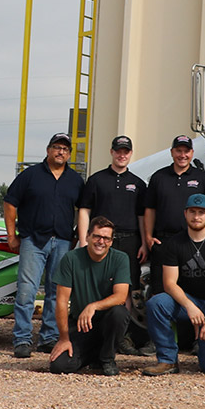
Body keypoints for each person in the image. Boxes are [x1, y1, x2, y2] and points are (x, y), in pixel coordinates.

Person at [3, 131, 84, 359]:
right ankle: (22, 339)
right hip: (33, 241)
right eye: (57, 147)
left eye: (65, 149)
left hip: (62, 242)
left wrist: (78, 235)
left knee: (55, 293)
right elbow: (10, 203)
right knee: (27, 291)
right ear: (48, 150)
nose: (61, 152)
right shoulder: (30, 176)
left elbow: (84, 209)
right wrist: (12, 235)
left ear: (69, 154)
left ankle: (48, 338)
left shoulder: (75, 181)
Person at [142, 194, 205, 375]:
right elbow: (169, 284)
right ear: (185, 214)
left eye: (201, 212)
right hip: (188, 302)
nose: (196, 217)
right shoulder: (174, 243)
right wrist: (190, 306)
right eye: (192, 212)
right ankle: (168, 360)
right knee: (157, 303)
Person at [76, 134, 150, 356]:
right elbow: (84, 211)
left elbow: (141, 216)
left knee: (125, 289)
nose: (122, 155)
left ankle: (122, 336)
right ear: (111, 152)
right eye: (118, 150)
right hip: (99, 241)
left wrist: (145, 243)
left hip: (129, 240)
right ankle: (92, 333)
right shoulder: (96, 180)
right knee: (96, 286)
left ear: (130, 154)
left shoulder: (138, 184)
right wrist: (83, 241)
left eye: (126, 151)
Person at [47, 217, 130, 375]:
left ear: (111, 241)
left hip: (107, 323)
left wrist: (93, 306)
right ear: (87, 237)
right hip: (80, 325)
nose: (101, 241)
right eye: (97, 236)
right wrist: (64, 338)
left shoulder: (120, 259)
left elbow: (121, 296)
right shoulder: (71, 259)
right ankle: (93, 355)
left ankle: (107, 358)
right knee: (59, 366)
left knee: (120, 313)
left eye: (106, 238)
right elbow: (61, 302)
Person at [143, 135, 205, 296]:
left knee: (192, 291)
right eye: (178, 151)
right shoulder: (159, 177)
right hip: (164, 241)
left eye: (186, 151)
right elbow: (150, 209)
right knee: (160, 291)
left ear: (192, 153)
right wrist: (149, 237)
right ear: (172, 152)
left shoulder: (203, 178)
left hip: (193, 242)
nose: (182, 155)